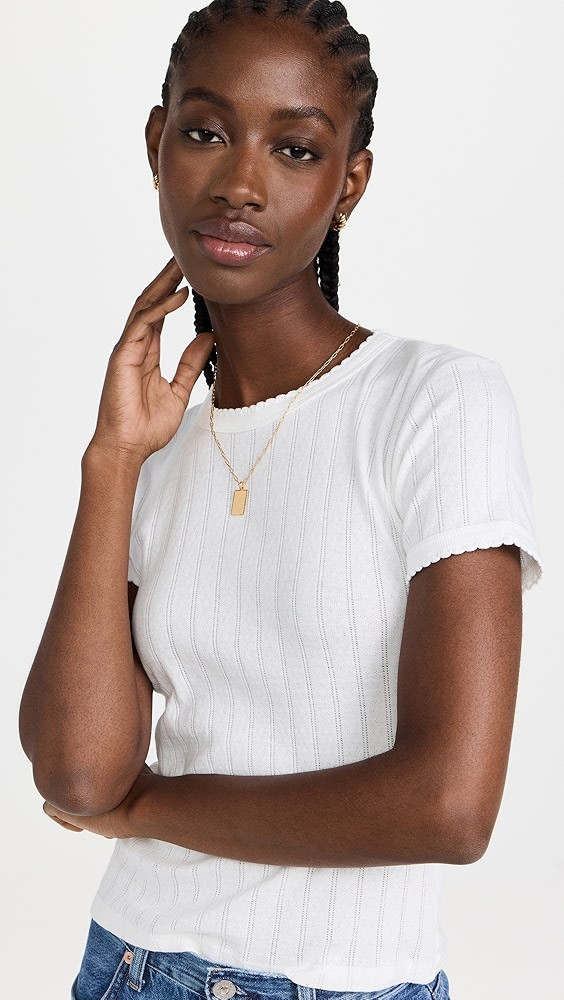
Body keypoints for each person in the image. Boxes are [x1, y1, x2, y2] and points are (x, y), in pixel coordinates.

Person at [19, 2, 544, 999]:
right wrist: (112, 462)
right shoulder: (158, 454)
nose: (240, 183)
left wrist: (146, 810)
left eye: (295, 148)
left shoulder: (435, 403)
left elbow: (449, 805)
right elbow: (78, 775)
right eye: (205, 132)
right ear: (156, 142)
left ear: (350, 182)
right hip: (127, 963)